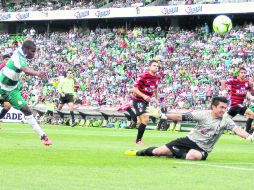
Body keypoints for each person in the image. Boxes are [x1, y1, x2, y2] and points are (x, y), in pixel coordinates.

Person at [125, 97, 253, 160]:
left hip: (202, 149)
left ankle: (174, 153)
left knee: (193, 156)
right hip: (188, 141)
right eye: (221, 107)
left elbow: (237, 129)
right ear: (213, 107)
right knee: (157, 152)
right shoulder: (202, 115)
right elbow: (181, 117)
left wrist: (249, 136)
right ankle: (137, 152)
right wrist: (162, 115)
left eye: (225, 108)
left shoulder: (226, 120)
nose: (224, 110)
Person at [0, 40, 52, 146]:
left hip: (11, 89)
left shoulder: (22, 52)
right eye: (33, 51)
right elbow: (25, 69)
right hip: (1, 83)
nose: (34, 54)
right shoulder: (18, 57)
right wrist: (37, 73)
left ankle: (43, 136)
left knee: (26, 110)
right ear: (27, 50)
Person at [119, 59, 161, 145]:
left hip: (145, 102)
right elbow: (134, 89)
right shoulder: (144, 76)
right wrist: (144, 96)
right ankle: (138, 141)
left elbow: (156, 88)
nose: (156, 67)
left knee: (139, 122)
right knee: (145, 119)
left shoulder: (157, 77)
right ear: (149, 67)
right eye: (154, 65)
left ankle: (128, 109)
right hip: (138, 100)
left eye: (157, 66)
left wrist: (157, 99)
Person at [0, 54, 12, 120]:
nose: (8, 61)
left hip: (4, 91)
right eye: (6, 59)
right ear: (3, 60)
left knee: (8, 106)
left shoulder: (11, 69)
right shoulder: (1, 68)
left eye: (9, 60)